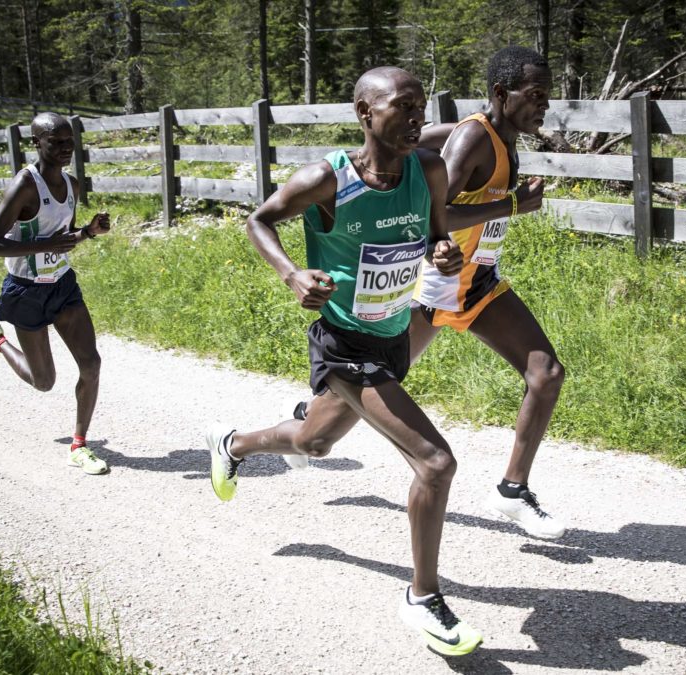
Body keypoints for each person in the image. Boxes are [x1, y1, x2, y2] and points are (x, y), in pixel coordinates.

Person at [205, 66, 482, 656]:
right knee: (435, 463)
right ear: (364, 113)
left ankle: (232, 445)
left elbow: (438, 237)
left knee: (313, 442)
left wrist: (443, 253)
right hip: (344, 345)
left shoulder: (427, 170)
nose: (415, 119)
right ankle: (423, 598)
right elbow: (258, 220)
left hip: (390, 339)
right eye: (401, 107)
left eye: (420, 108)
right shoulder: (327, 180)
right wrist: (292, 273)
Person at [286, 46, 567, 540]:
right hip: (432, 287)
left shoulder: (496, 135)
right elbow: (437, 220)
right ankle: (305, 425)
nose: (545, 104)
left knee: (546, 372)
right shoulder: (479, 139)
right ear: (502, 94)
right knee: (335, 424)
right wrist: (510, 208)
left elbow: (435, 142)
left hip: (477, 281)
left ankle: (512, 490)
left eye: (549, 94)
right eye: (536, 95)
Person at [0, 112, 111, 475]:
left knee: (92, 364)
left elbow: (60, 243)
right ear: (37, 142)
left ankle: (79, 446)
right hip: (26, 292)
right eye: (57, 142)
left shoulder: (72, 185)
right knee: (44, 382)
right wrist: (41, 246)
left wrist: (87, 233)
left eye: (70, 142)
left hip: (62, 286)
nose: (66, 149)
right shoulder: (25, 184)